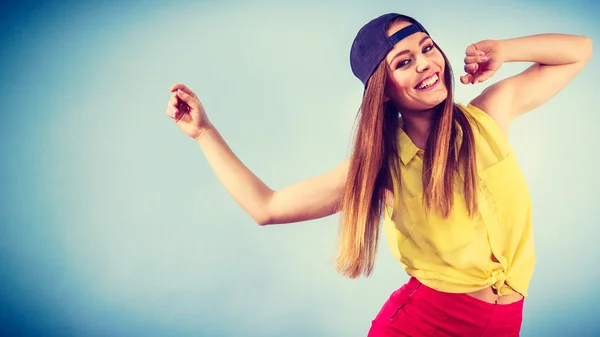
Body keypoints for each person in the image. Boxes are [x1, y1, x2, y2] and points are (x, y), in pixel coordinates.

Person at [164, 12, 592, 337]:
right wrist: (204, 132)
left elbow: (580, 50)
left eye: (427, 48)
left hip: (504, 321)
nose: (426, 64)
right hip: (426, 323)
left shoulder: (488, 115)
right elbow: (266, 207)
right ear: (382, 92)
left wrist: (505, 49)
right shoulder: (378, 167)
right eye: (404, 62)